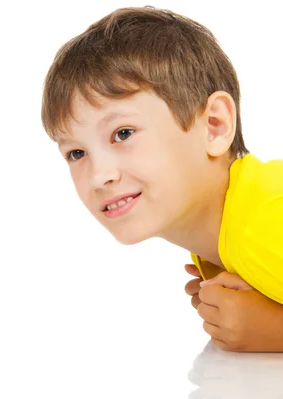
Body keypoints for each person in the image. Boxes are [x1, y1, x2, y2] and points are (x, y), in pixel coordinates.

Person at [41, 6, 283, 352]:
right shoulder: (230, 227)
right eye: (76, 153)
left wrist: (274, 331)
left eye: (123, 133)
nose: (99, 176)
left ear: (213, 125)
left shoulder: (263, 225)